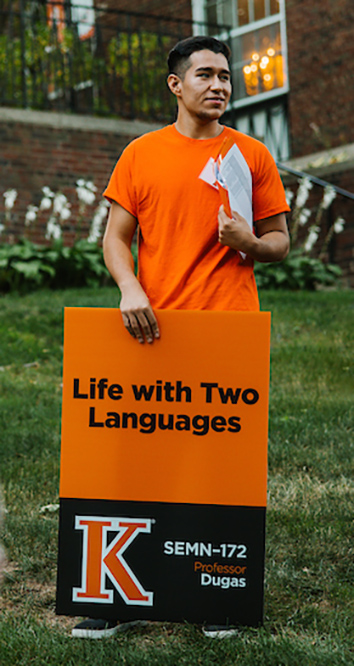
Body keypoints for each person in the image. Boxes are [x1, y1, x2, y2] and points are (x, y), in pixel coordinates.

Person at [72, 34, 290, 639]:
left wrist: (250, 245)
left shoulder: (251, 156)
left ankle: (215, 592)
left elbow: (280, 242)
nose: (220, 85)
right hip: (153, 329)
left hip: (228, 331)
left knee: (218, 469)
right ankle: (113, 594)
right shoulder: (141, 154)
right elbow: (116, 238)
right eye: (206, 75)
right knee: (137, 462)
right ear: (176, 84)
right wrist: (129, 287)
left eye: (226, 76)